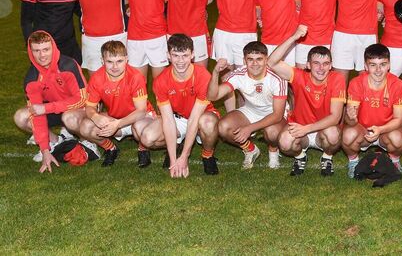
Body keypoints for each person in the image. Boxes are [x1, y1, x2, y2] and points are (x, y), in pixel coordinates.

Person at [134, 34, 220, 177]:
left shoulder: (203, 76)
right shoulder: (161, 81)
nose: (180, 61)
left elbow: (194, 118)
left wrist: (185, 157)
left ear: (192, 55)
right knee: (148, 138)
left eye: (185, 56)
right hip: (177, 118)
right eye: (175, 55)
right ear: (168, 55)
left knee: (208, 123)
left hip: (200, 117)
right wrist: (174, 161)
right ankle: (175, 147)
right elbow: (167, 119)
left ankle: (207, 155)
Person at [269, 25, 346, 176]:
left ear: (331, 66)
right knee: (284, 142)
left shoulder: (337, 79)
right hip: (300, 129)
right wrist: (294, 37)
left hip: (323, 129)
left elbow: (335, 117)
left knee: (333, 135)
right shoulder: (299, 76)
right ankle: (300, 156)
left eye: (325, 64)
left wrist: (307, 128)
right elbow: (271, 62)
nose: (321, 68)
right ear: (308, 65)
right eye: (316, 63)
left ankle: (327, 157)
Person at [197, 0, 260, 111]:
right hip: (223, 32)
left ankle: (247, 113)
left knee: (246, 77)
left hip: (246, 32)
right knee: (227, 78)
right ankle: (232, 115)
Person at [14, 31, 89, 172]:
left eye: (46, 49)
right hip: (54, 111)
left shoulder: (68, 65)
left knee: (69, 117)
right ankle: (54, 142)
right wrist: (45, 150)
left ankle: (87, 142)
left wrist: (47, 108)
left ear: (53, 47)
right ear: (30, 51)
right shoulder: (31, 79)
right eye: (37, 51)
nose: (42, 55)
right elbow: (37, 114)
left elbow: (82, 99)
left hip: (77, 110)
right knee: (21, 117)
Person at [207, 41, 288, 170]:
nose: (255, 64)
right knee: (223, 127)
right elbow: (212, 96)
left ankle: (273, 150)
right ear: (244, 61)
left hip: (273, 112)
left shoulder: (277, 78)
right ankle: (250, 149)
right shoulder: (239, 74)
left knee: (272, 132)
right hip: (251, 110)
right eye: (250, 59)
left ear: (266, 59)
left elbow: (277, 115)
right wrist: (216, 72)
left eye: (259, 59)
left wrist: (249, 128)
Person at [78, 41, 155, 167]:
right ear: (102, 61)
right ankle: (111, 149)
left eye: (119, 61)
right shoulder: (97, 78)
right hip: (116, 119)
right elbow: (90, 107)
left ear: (126, 59)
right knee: (85, 126)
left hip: (140, 118)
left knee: (140, 127)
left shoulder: (135, 77)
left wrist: (117, 124)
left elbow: (141, 111)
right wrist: (94, 116)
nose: (115, 66)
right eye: (110, 62)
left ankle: (143, 149)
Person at [342, 44, 402, 178]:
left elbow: (399, 120)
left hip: (386, 131)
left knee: (398, 138)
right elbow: (350, 122)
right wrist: (350, 117)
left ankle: (394, 160)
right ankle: (353, 162)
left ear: (389, 65)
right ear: (365, 67)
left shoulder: (398, 85)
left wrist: (380, 130)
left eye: (382, 64)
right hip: (363, 130)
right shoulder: (356, 83)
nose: (378, 70)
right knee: (348, 134)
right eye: (373, 65)